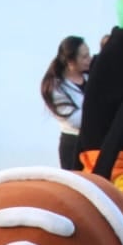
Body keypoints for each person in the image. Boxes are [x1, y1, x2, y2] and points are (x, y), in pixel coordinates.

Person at [40, 35, 89, 170]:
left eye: (88, 55)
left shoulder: (90, 75)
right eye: (84, 57)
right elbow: (75, 120)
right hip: (73, 144)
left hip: (93, 142)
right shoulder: (56, 87)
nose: (89, 60)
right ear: (70, 61)